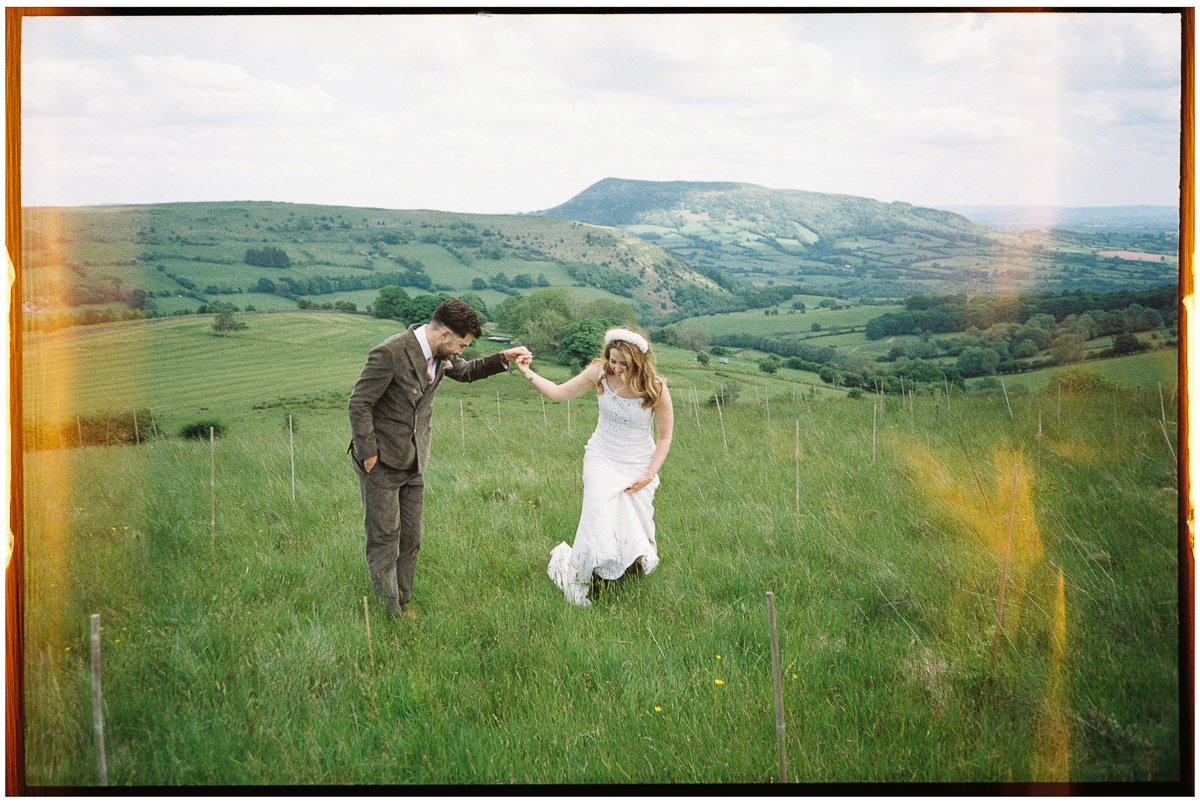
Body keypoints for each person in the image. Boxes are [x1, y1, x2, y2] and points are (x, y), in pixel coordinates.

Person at [348, 298, 531, 620]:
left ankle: (402, 603)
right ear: (445, 334)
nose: (462, 351)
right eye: (461, 344)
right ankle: (388, 615)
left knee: (411, 537)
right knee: (384, 539)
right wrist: (368, 455)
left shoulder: (440, 354)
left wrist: (504, 358)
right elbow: (359, 404)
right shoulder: (389, 352)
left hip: (415, 462)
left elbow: (468, 371)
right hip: (381, 462)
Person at [515, 327, 674, 606]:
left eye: (624, 363)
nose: (617, 367)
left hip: (638, 462)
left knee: (631, 521)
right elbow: (557, 393)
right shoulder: (599, 373)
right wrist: (528, 372)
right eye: (613, 360)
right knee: (596, 515)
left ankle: (625, 570)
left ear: (639, 362)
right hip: (601, 456)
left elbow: (665, 437)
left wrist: (649, 475)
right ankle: (579, 581)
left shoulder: (655, 389)